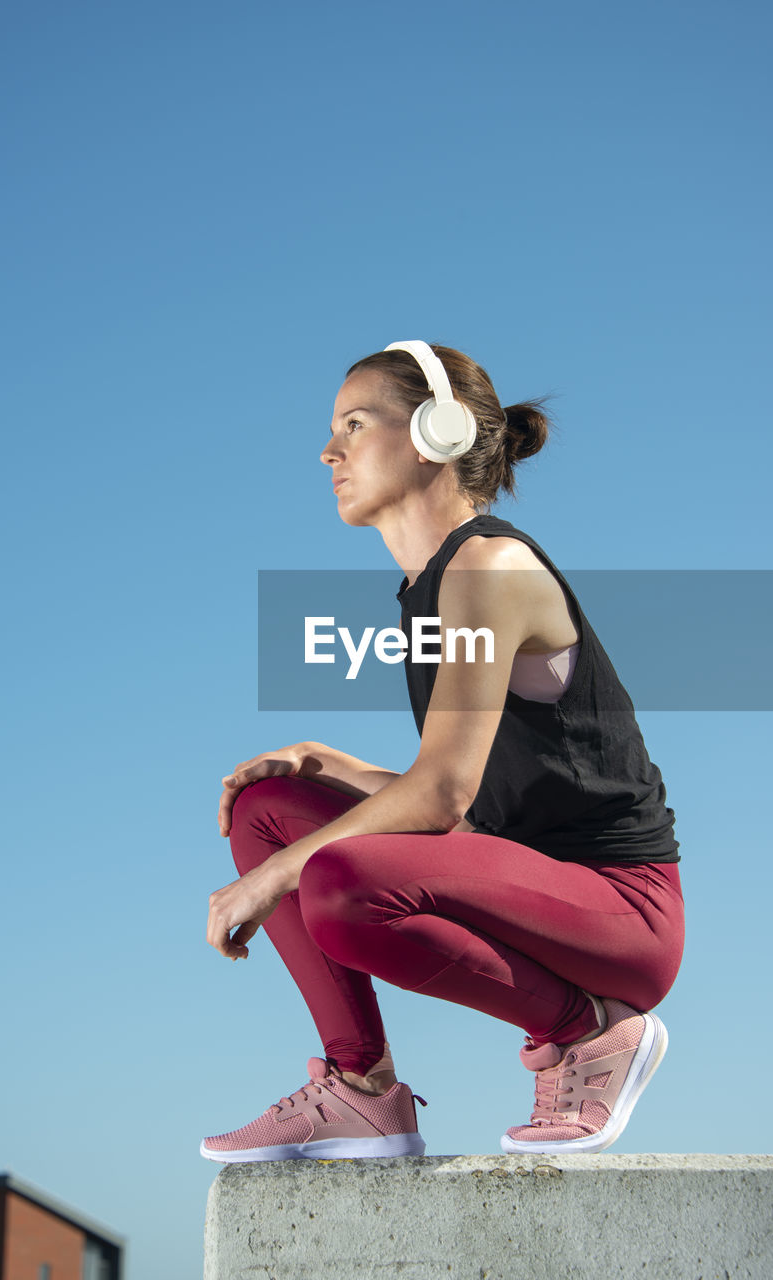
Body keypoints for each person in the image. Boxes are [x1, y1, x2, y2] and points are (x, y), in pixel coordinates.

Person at [200, 341, 684, 1164]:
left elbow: (440, 799)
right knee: (268, 809)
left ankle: (587, 1031)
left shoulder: (489, 565)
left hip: (618, 910)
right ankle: (359, 1090)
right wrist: (333, 767)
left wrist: (273, 878)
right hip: (528, 877)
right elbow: (477, 802)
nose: (330, 451)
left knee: (335, 880)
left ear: (439, 430)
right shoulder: (428, 587)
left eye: (355, 424)